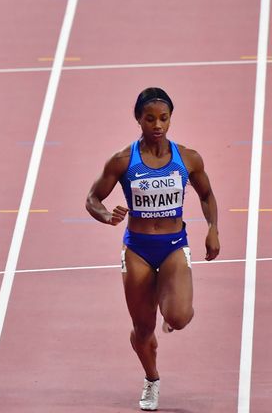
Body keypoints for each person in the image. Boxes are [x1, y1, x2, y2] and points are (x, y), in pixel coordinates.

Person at [85, 87, 219, 411]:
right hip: (138, 250)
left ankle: (169, 303)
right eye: (150, 119)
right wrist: (107, 215)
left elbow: (206, 194)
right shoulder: (122, 160)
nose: (157, 125)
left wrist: (213, 228)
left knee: (180, 315)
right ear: (138, 120)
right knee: (143, 330)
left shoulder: (187, 158)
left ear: (171, 119)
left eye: (164, 118)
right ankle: (152, 379)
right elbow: (92, 198)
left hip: (173, 244)